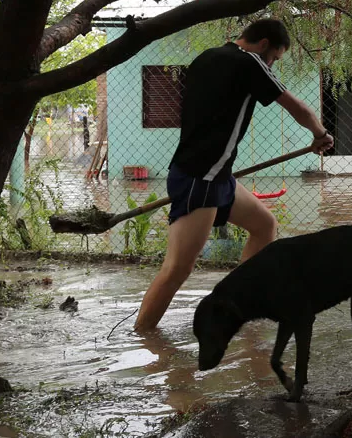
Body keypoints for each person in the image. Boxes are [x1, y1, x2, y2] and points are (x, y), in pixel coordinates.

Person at [134, 18, 334, 332]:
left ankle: (236, 304)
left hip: (217, 176)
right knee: (176, 269)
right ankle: (142, 337)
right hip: (202, 178)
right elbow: (298, 109)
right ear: (265, 44)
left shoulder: (206, 58)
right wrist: (321, 134)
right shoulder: (250, 63)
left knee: (265, 225)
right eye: (275, 59)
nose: (272, 66)